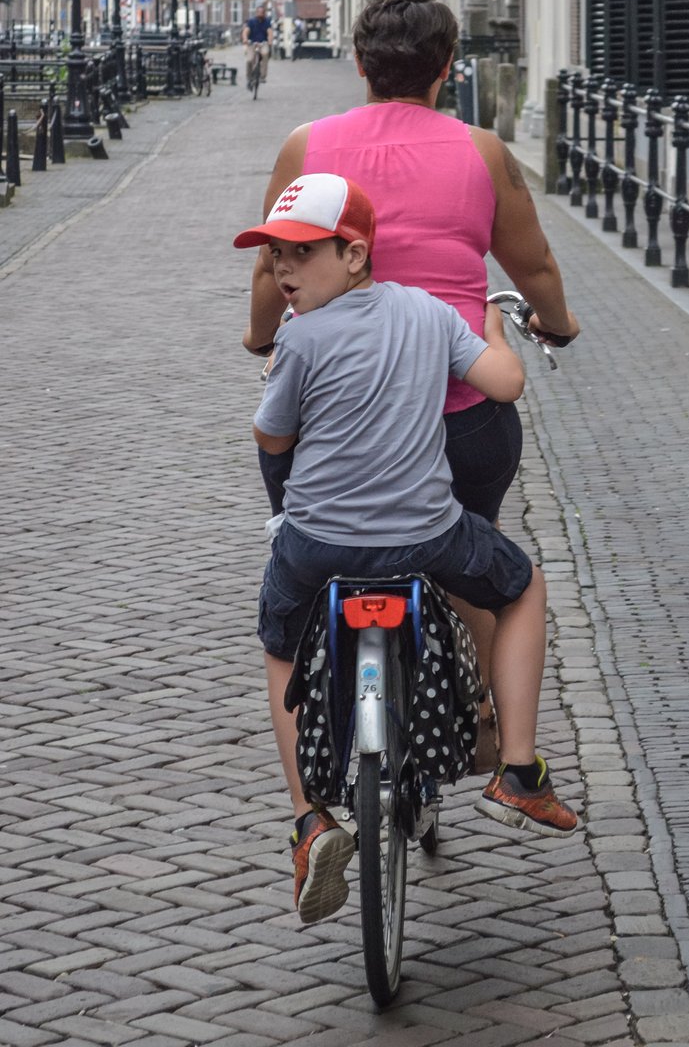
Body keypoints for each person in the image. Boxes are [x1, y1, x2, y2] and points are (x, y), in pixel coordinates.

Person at [243, 0, 580, 772]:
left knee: (308, 528)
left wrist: (260, 337)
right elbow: (532, 263)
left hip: (338, 421)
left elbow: (270, 268)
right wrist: (557, 323)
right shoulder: (481, 150)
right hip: (461, 410)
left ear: (360, 64)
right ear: (447, 67)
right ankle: (485, 722)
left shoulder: (305, 145)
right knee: (475, 542)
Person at [234, 172, 579, 925]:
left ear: (354, 255)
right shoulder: (428, 313)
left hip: (318, 546)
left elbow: (272, 438)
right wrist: (490, 328)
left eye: (301, 252)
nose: (282, 268)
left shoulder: (299, 338)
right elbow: (505, 384)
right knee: (522, 588)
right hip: (428, 537)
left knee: (281, 646)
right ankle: (519, 772)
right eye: (274, 254)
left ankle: (309, 820)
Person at [242, 3, 272, 89]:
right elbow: (246, 31)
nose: (260, 14)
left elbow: (270, 32)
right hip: (252, 43)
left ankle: (262, 76)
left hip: (263, 43)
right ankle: (249, 78)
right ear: (256, 13)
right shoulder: (251, 21)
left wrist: (270, 41)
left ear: (264, 13)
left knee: (265, 53)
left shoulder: (267, 22)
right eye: (259, 12)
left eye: (262, 12)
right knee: (249, 60)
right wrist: (245, 39)